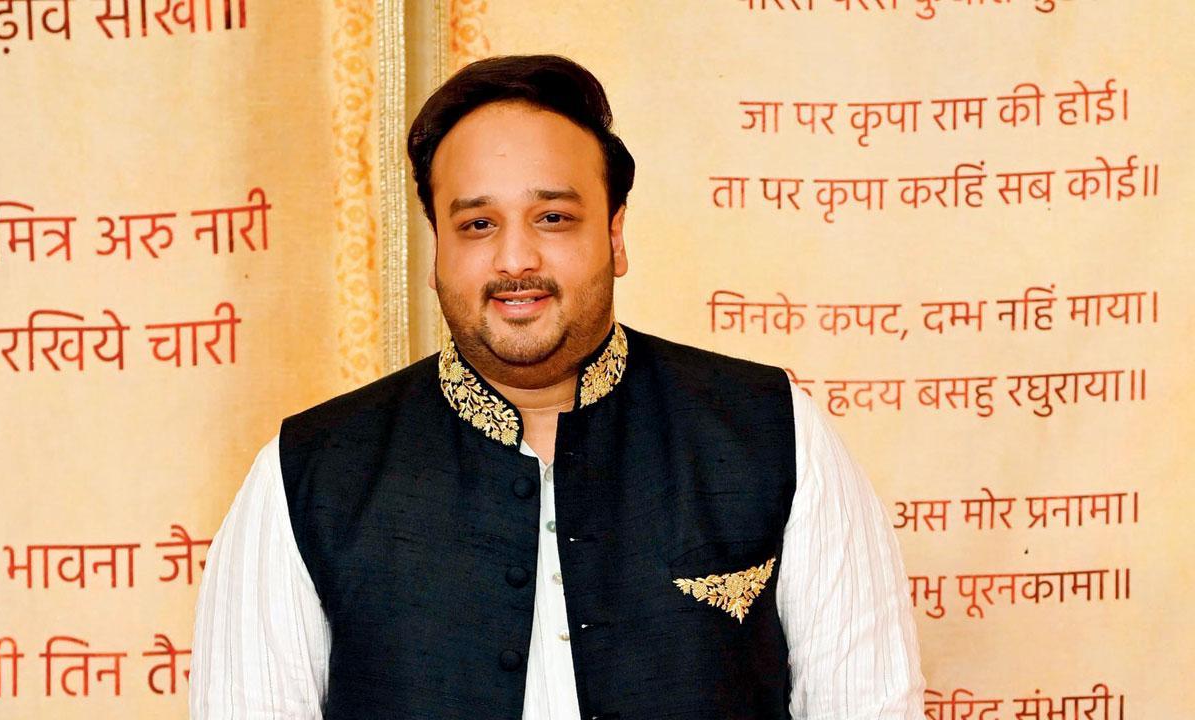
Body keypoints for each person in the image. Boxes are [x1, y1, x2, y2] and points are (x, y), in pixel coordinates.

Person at [190, 54, 926, 720]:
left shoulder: (771, 435)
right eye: (478, 224)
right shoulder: (309, 475)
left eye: (553, 218)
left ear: (615, 234)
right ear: (437, 249)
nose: (516, 259)